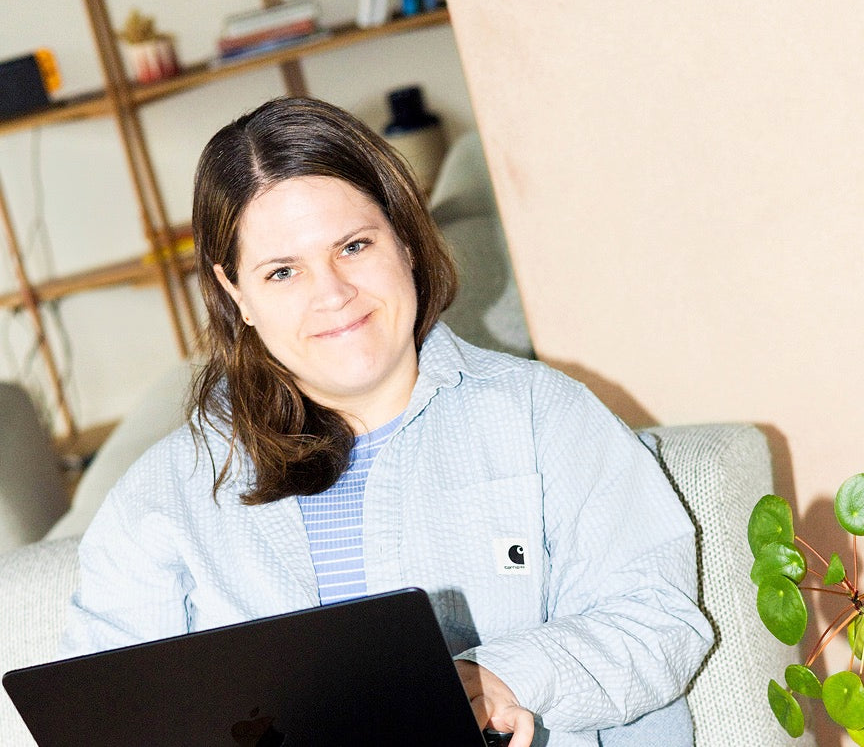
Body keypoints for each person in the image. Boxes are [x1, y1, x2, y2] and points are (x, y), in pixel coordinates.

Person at [60, 96, 712, 746]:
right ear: (237, 294)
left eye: (353, 246)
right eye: (283, 271)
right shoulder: (164, 496)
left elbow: (659, 621)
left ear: (404, 240)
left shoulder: (545, 416)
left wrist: (502, 677)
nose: (332, 294)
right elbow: (102, 715)